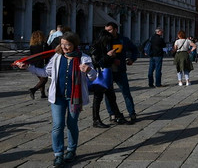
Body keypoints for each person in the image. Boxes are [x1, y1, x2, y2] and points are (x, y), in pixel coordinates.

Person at [16, 32, 96, 166]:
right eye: (62, 44)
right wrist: (29, 67)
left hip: (74, 98)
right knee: (58, 125)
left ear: (74, 44)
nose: (64, 47)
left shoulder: (84, 58)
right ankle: (58, 154)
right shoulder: (57, 57)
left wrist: (89, 70)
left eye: (67, 44)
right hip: (58, 97)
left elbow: (93, 77)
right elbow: (45, 72)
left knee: (72, 124)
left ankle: (71, 150)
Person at [89, 29, 127, 127]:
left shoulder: (105, 46)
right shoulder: (95, 48)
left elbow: (106, 61)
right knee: (98, 98)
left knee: (111, 97)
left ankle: (118, 116)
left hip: (107, 75)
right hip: (99, 76)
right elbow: (97, 63)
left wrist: (113, 58)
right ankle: (96, 120)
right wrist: (108, 55)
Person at [104, 21, 139, 124]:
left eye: (109, 30)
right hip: (108, 71)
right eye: (106, 30)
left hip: (120, 70)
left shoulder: (123, 40)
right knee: (108, 94)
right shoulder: (104, 40)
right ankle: (112, 114)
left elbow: (134, 50)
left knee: (126, 92)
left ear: (116, 29)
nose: (107, 32)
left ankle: (132, 112)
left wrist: (132, 59)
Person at [27, 30, 49, 100]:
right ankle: (33, 89)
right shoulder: (43, 44)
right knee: (44, 79)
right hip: (41, 63)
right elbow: (47, 54)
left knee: (42, 79)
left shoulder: (32, 45)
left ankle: (43, 94)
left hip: (34, 64)